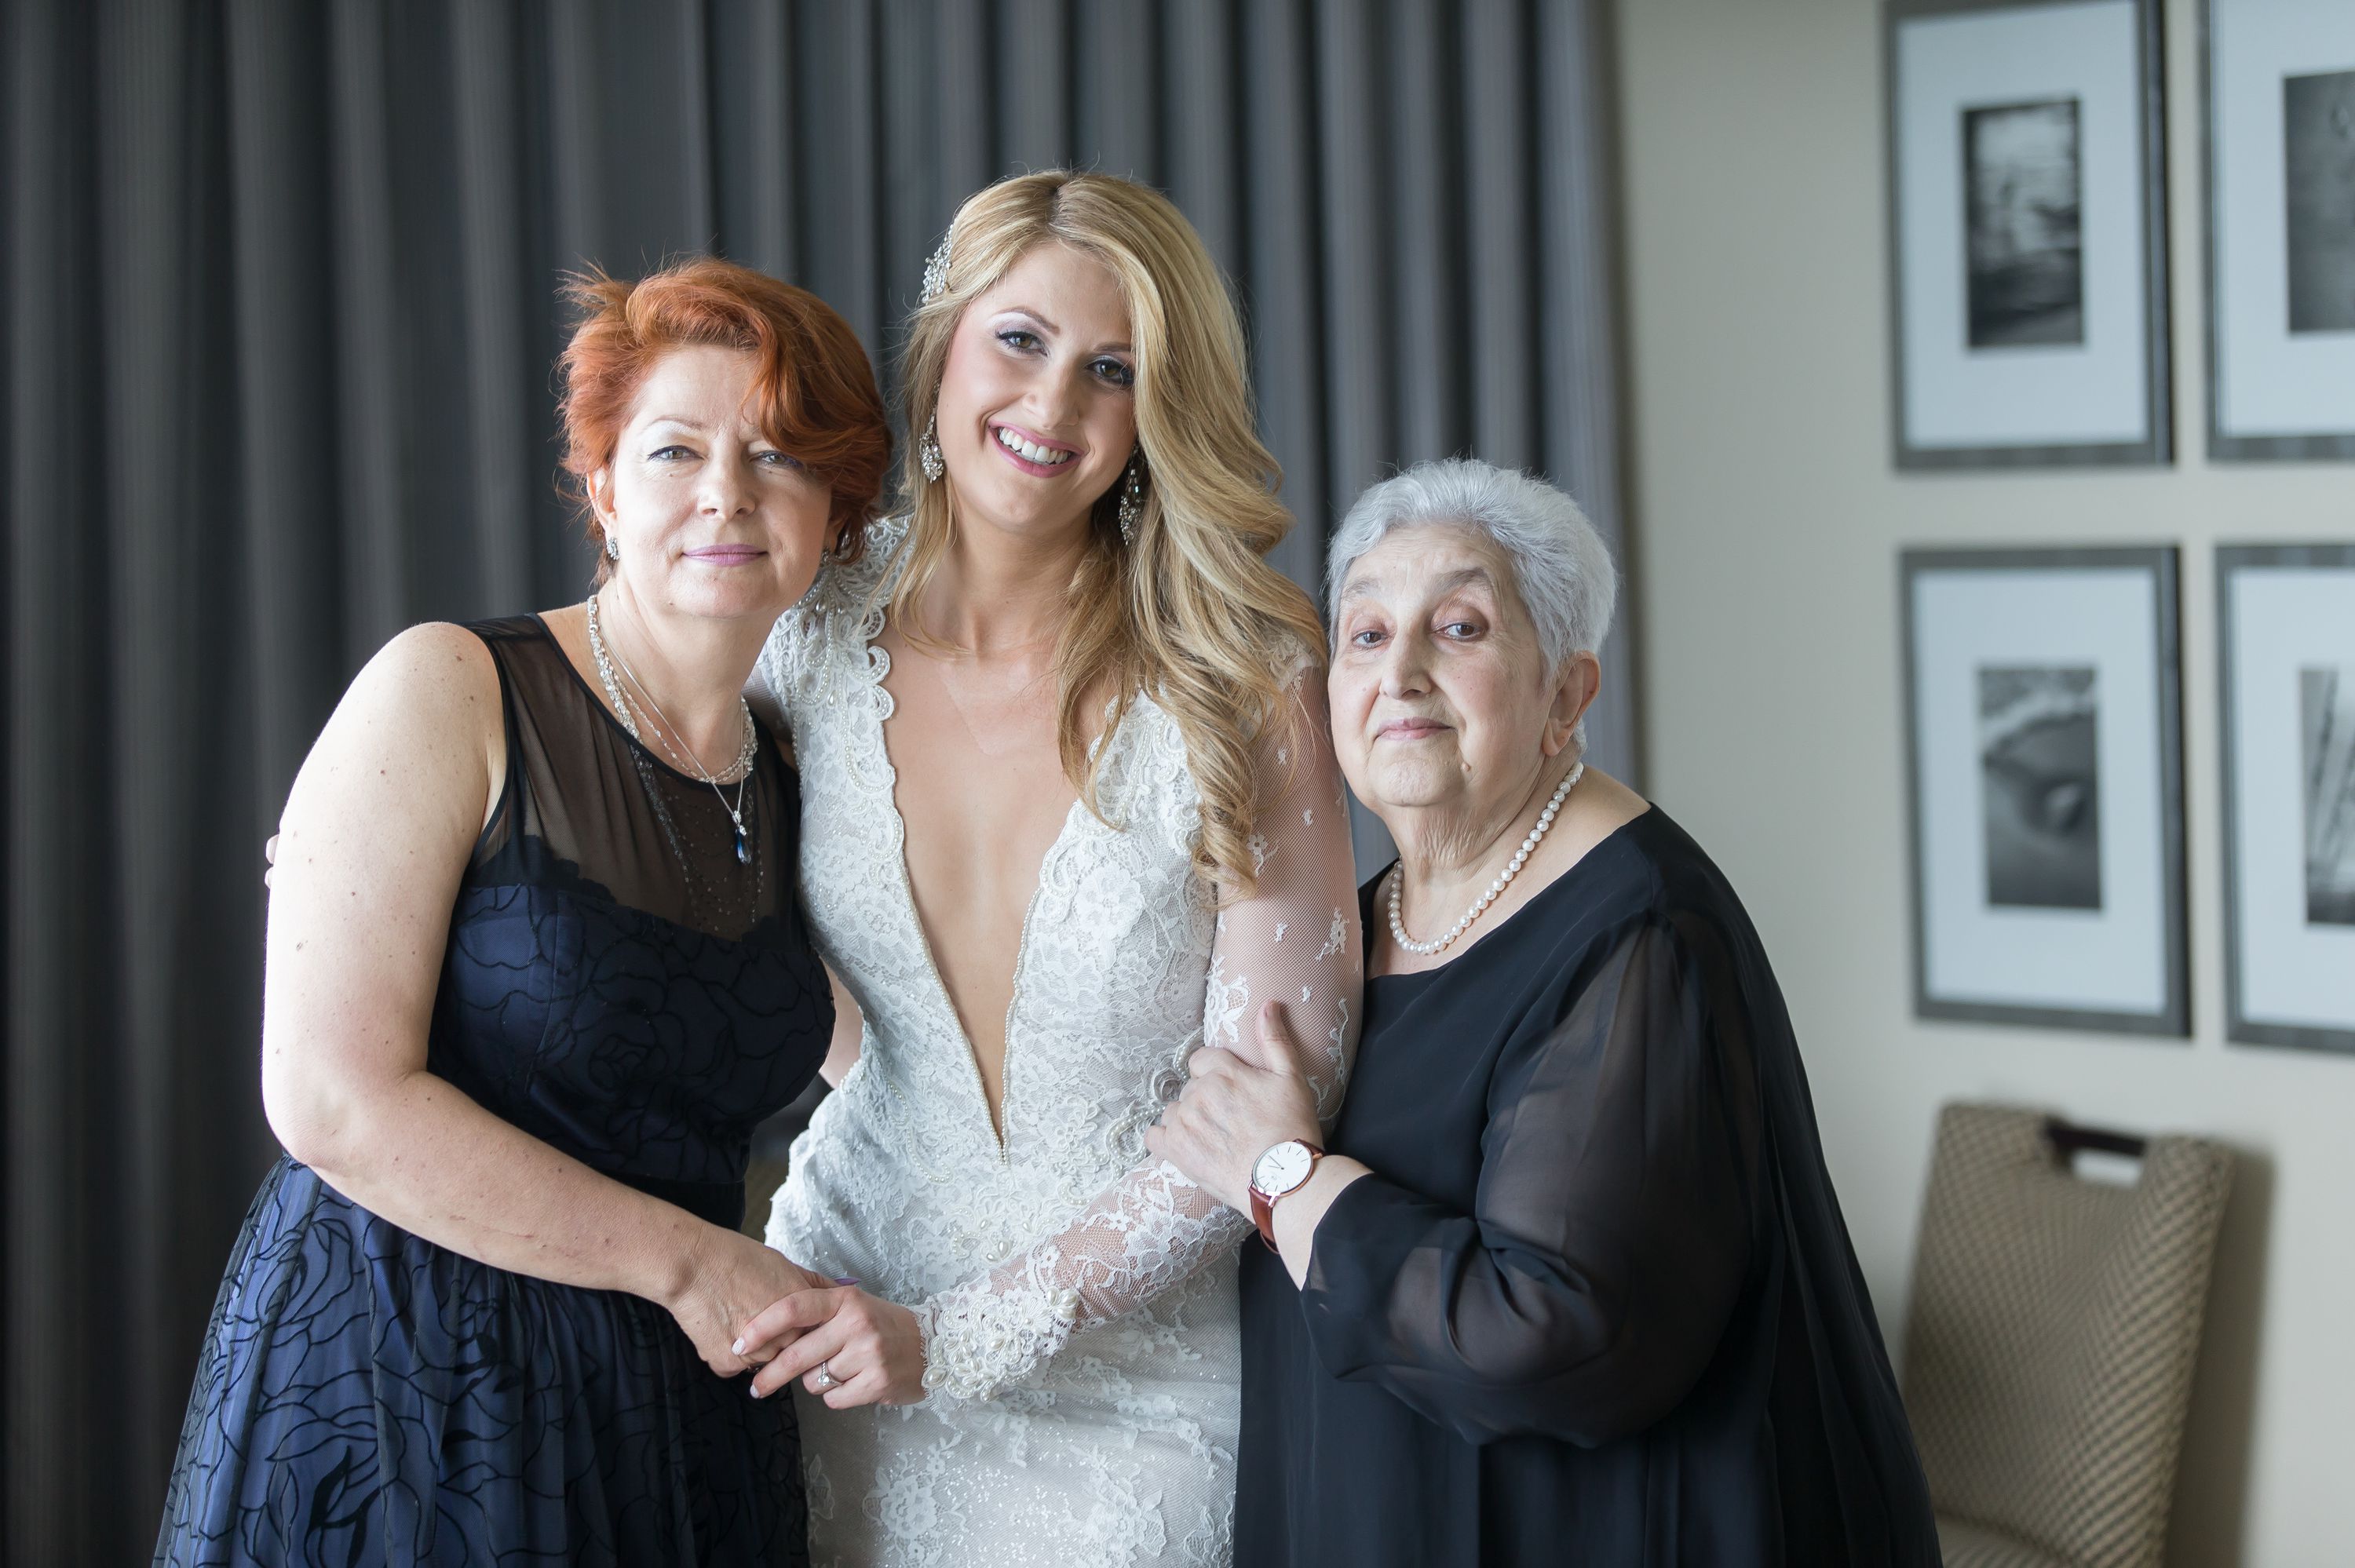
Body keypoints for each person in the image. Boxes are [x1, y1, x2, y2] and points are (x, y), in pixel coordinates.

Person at [154, 258, 890, 1566]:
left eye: (778, 455)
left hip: (671, 1416)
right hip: (415, 1384)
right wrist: (688, 1263)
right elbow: (328, 1098)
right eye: (677, 450)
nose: (727, 491)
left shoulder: (791, 769)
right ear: (605, 489)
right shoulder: (452, 686)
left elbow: (883, 1046)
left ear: (837, 512)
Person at [729, 171, 1363, 1566]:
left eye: (1112, 369)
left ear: (1154, 413)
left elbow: (1276, 1095)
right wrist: (411, 825)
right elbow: (632, 774)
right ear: (944, 345)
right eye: (1019, 340)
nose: (1054, 403)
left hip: (1139, 1396)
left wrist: (956, 1339)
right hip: (839, 1319)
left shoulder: (1241, 677)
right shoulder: (800, 636)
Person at [1148, 460, 1943, 1566]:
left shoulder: (1641, 933)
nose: (1402, 671)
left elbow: (1551, 1337)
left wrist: (1283, 1176)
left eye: (1460, 626)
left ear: (1567, 695)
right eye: (1367, 633)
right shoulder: (1357, 916)